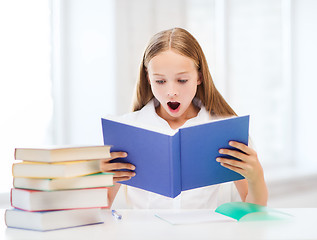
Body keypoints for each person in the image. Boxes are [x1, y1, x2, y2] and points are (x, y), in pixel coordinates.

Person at [100, 27, 268, 209]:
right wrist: (98, 178)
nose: (171, 92)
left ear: (199, 77)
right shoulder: (127, 130)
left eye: (182, 80)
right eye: (160, 81)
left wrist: (256, 175)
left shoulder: (223, 129)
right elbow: (102, 206)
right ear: (148, 78)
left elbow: (254, 209)